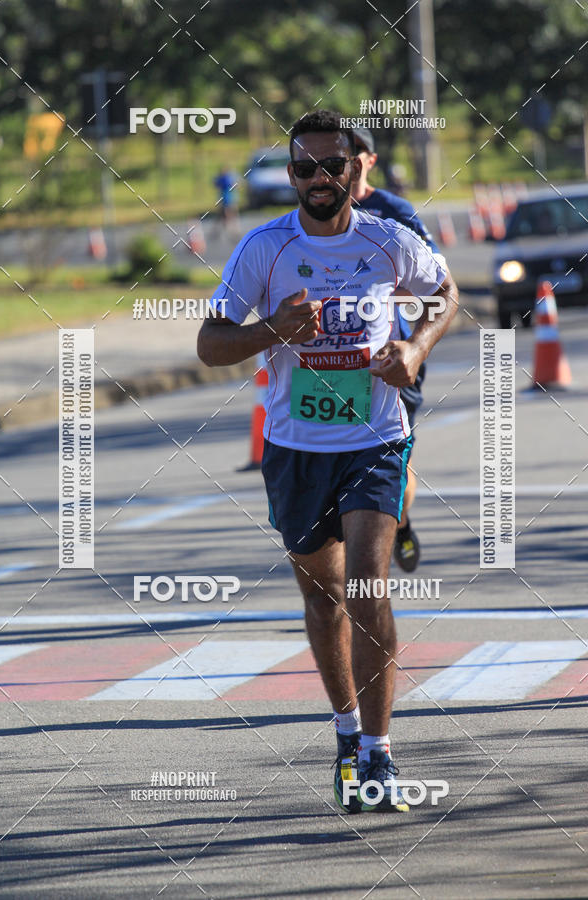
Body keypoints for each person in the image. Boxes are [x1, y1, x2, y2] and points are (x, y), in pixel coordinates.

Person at [198, 110, 458, 813]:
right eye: (304, 168)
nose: (319, 178)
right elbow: (210, 344)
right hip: (295, 450)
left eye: (331, 166)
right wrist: (271, 331)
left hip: (375, 440)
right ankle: (345, 733)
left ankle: (379, 753)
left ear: (355, 169)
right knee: (324, 596)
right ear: (292, 175)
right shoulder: (264, 249)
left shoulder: (387, 239)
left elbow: (444, 293)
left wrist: (415, 349)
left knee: (370, 588)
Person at [351, 126, 444, 574]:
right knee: (333, 462)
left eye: (351, 156)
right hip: (330, 363)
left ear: (369, 160)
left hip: (391, 355)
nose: (338, 167)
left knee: (388, 457)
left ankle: (399, 524)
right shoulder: (312, 213)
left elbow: (437, 279)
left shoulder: (392, 211)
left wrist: (385, 298)